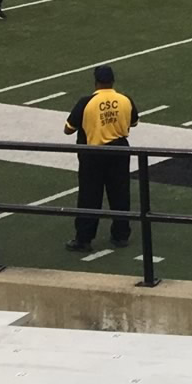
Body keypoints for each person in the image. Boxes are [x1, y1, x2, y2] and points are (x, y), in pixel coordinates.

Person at [63, 64, 135, 252]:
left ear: (96, 83)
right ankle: (121, 235)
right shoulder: (125, 99)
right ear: (112, 81)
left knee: (89, 196)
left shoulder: (86, 102)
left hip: (93, 153)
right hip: (120, 151)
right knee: (120, 194)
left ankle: (84, 239)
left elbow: (68, 129)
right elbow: (133, 122)